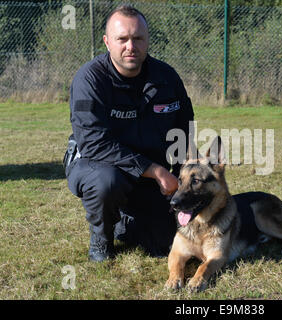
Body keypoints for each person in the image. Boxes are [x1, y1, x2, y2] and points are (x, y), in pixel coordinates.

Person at [65, 4, 194, 262]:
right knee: (106, 182)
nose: (130, 46)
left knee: (166, 241)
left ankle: (128, 220)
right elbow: (94, 144)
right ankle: (101, 242)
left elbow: (184, 130)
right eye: (122, 39)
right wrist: (157, 171)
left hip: (149, 172)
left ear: (147, 40)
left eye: (137, 38)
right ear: (107, 41)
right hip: (98, 164)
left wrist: (183, 175)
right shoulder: (90, 79)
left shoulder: (167, 77)